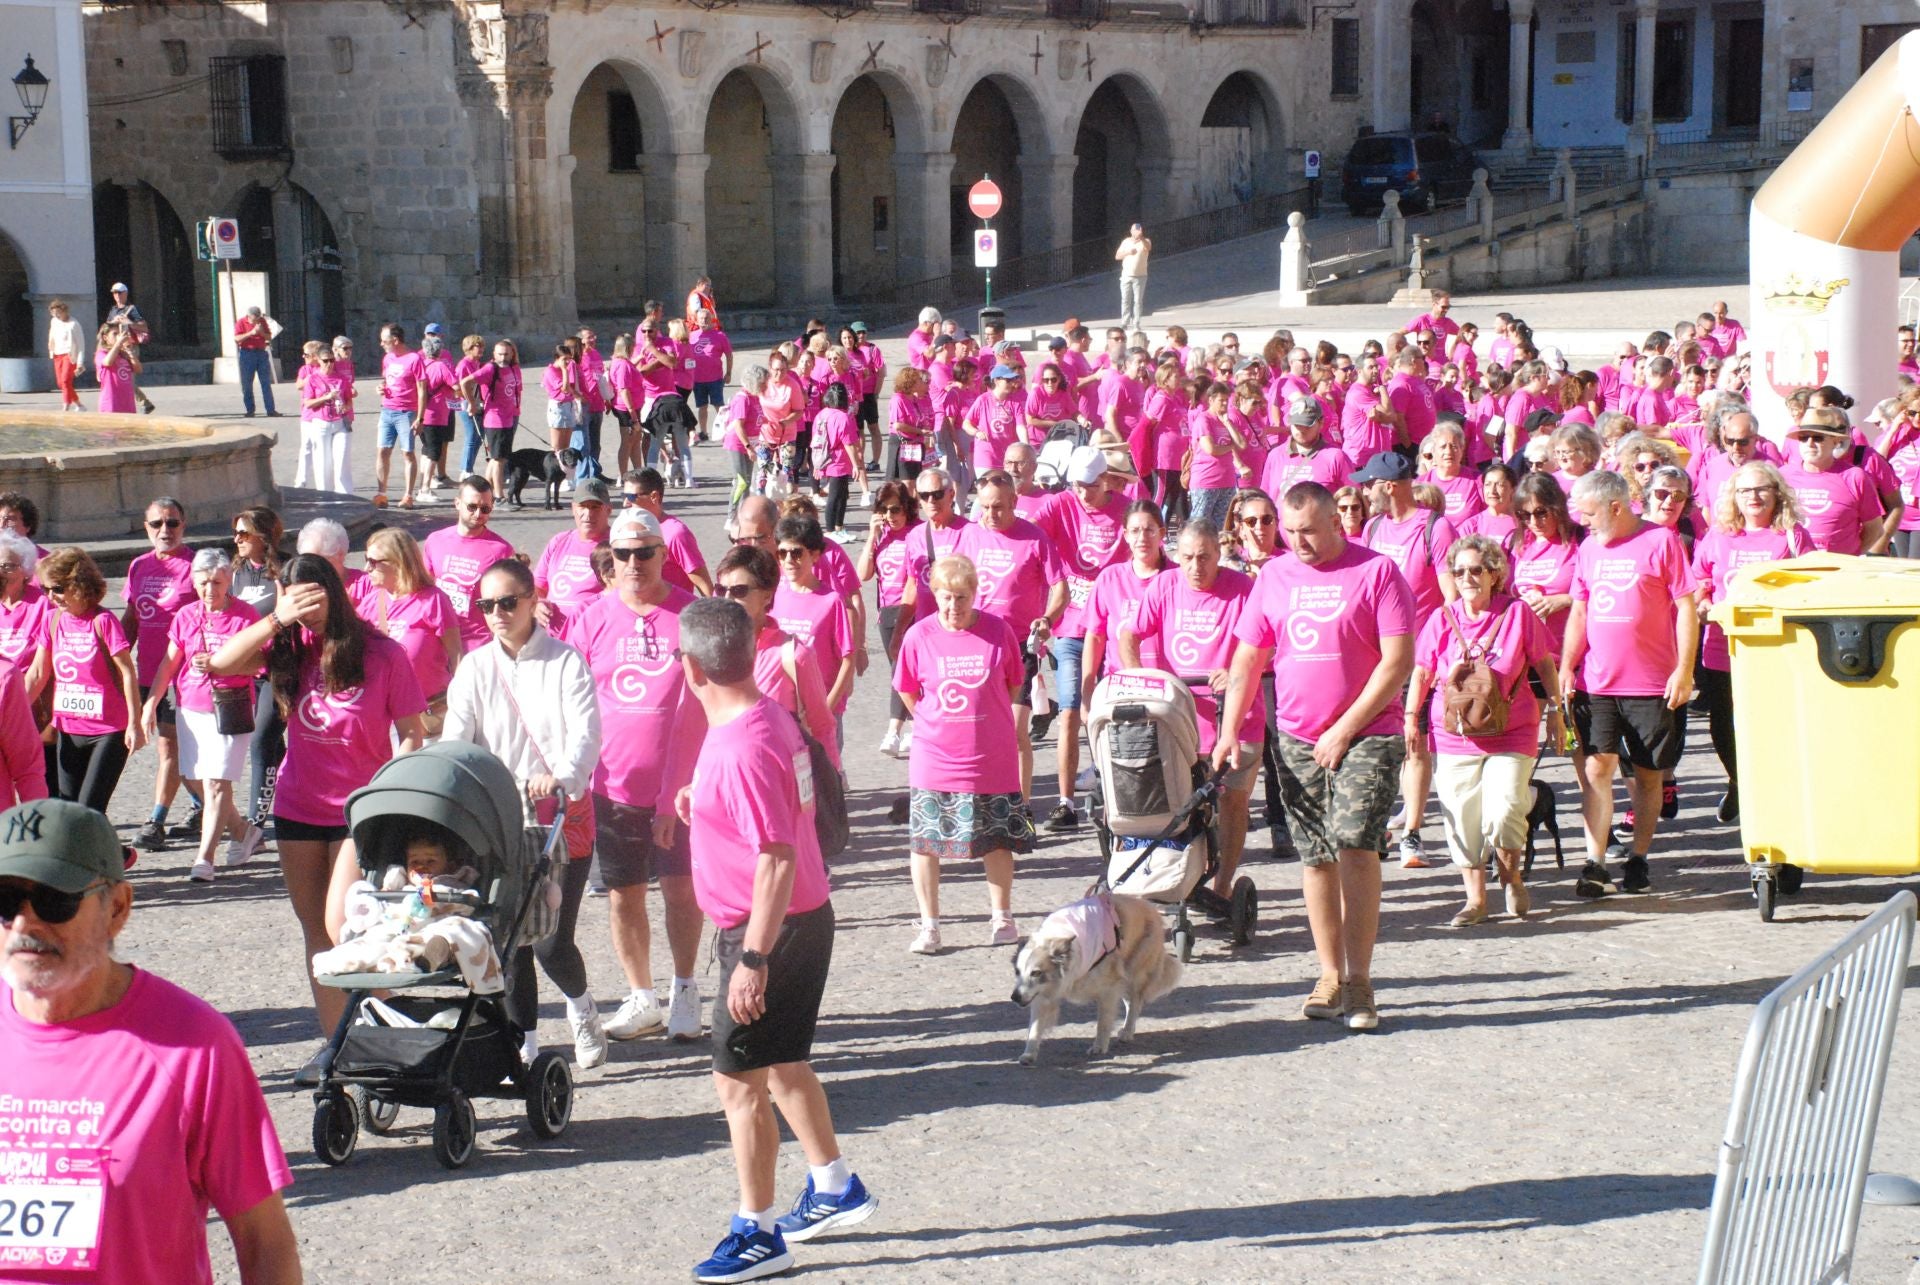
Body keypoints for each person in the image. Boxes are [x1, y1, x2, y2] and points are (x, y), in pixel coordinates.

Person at [1, 798, 301, 1283]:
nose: (24, 924)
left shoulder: (193, 1045)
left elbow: (264, 1241)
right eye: (5, 901)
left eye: (56, 900)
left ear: (117, 908)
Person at [670, 598, 875, 1284]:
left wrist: (752, 959)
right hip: (795, 918)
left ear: (692, 667)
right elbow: (788, 808)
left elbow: (778, 854)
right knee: (783, 1064)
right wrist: (703, 801)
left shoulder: (741, 744)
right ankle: (833, 1184)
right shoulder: (764, 715)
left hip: (771, 930)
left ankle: (757, 1231)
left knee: (738, 1085)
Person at [1213, 482, 1414, 1031]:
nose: (1298, 542)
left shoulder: (1377, 573)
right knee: (1316, 854)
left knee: (1354, 842)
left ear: (1337, 525)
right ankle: (1329, 973)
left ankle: (1360, 980)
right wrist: (1230, 731)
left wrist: (1346, 729)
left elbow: (1397, 662)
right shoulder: (1274, 577)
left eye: (1309, 531)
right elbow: (1249, 657)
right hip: (1298, 736)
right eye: (1290, 531)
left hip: (1368, 731)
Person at [209, 555, 426, 1042]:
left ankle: (391, 1028)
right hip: (297, 806)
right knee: (315, 934)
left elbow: (412, 732)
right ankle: (339, 1049)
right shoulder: (288, 647)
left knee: (339, 927)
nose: (305, 607)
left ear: (334, 592)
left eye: (313, 596)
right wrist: (276, 618)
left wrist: (390, 787)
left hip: (360, 810)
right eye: (294, 597)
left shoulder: (382, 653)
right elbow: (220, 663)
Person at [442, 556, 608, 1069]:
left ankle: (582, 1009)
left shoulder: (564, 661)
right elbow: (457, 735)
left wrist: (561, 774)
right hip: (499, 817)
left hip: (559, 812)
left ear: (533, 600)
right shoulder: (474, 666)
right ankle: (526, 1040)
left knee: (551, 940)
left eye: (507, 602)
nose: (496, 613)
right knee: (508, 936)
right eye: (486, 605)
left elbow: (586, 733)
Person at [571, 509, 706, 1045]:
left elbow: (709, 700)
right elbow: (571, 697)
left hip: (681, 786)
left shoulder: (690, 613)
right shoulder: (591, 617)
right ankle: (641, 995)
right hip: (611, 785)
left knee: (682, 891)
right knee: (624, 896)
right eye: (623, 554)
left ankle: (686, 987)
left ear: (663, 555)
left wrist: (685, 786)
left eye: (644, 552)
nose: (633, 563)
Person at [1405, 535, 1563, 926]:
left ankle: (1510, 875)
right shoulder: (1441, 619)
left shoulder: (1517, 614)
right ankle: (1475, 900)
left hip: (1512, 730)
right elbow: (1422, 670)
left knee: (1505, 806)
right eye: (1459, 572)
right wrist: (1410, 717)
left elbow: (1543, 663)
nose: (1467, 578)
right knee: (1462, 817)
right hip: (1454, 734)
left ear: (1494, 574)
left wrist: (1557, 710)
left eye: (1476, 570)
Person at [1561, 470, 1698, 898]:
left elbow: (1686, 608)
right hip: (1599, 680)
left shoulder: (1661, 541)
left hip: (1651, 682)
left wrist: (1684, 670)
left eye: (1589, 514)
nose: (1583, 522)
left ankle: (1638, 856)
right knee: (1596, 766)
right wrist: (1568, 665)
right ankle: (1595, 862)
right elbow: (1580, 612)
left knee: (1647, 774)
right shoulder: (1587, 549)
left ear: (1616, 508)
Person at [895, 555, 1034, 953]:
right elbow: (907, 688)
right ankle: (930, 926)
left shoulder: (998, 631)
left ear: (975, 595)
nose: (953, 606)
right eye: (945, 597)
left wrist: (984, 718)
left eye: (961, 597)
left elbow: (1011, 683)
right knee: (924, 843)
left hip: (991, 756)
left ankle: (1003, 917)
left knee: (998, 841)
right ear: (934, 595)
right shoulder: (918, 636)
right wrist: (932, 718)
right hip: (934, 756)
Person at [1121, 519, 1263, 897]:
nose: (1196, 567)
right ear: (1176, 557)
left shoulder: (1243, 591)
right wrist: (1140, 679)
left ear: (1220, 553)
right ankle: (1176, 875)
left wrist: (1235, 670)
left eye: (1204, 557)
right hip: (1181, 721)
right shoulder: (1165, 586)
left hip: (1236, 717)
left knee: (1232, 800)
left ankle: (1223, 883)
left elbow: (1270, 644)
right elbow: (1129, 634)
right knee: (1177, 804)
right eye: (1187, 558)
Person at [1691, 461, 1813, 825]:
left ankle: (1768, 790)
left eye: (1762, 489)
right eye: (1745, 490)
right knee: (1723, 724)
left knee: (1770, 724)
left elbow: (1811, 585)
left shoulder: (1792, 536)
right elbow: (1700, 579)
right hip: (1723, 645)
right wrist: (1703, 603)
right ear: (1734, 497)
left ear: (1777, 493)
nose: (1754, 497)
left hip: (1773, 648)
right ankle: (1738, 780)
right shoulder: (1720, 535)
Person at [141, 549, 262, 882]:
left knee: (216, 782)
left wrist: (224, 662)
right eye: (205, 582)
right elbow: (169, 662)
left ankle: (204, 859)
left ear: (229, 582)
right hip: (190, 707)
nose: (211, 590)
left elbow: (261, 664)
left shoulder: (245, 616)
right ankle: (243, 832)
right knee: (193, 776)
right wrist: (151, 701)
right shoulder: (186, 615)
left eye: (218, 583)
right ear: (194, 582)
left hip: (230, 706)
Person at [1030, 446, 1128, 830]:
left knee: (1113, 714)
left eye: (1089, 485)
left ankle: (1115, 791)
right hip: (1071, 627)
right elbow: (1026, 534)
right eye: (1075, 484)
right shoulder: (1061, 504)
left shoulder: (1125, 508)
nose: (1082, 492)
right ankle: (1065, 801)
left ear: (1105, 479)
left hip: (1114, 627)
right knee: (1070, 710)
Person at [715, 546, 841, 767]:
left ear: (766, 595)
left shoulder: (793, 655)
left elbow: (822, 727)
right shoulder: (709, 652)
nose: (727, 599)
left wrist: (832, 785)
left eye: (739, 591)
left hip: (778, 782)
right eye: (720, 589)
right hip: (723, 779)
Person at [39, 547, 143, 815]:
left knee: (89, 810)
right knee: (69, 810)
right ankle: (118, 854)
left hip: (108, 731)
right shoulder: (52, 620)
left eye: (58, 588)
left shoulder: (103, 620)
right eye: (46, 589)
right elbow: (38, 674)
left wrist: (135, 724)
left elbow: (127, 672)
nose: (52, 597)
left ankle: (109, 855)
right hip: (69, 729)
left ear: (79, 584)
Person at [125, 498, 199, 852]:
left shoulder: (195, 566)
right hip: (147, 671)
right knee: (174, 750)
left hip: (184, 674)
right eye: (157, 524)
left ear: (184, 525)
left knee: (170, 747)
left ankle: (156, 821)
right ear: (146, 527)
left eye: (172, 523)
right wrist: (113, 660)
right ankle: (204, 806)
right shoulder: (139, 566)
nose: (164, 530)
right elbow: (131, 619)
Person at [358, 528, 462, 739]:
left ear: (398, 562)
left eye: (373, 561)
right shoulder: (370, 602)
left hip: (427, 715)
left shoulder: (433, 600)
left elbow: (456, 656)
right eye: (365, 559)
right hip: (382, 715)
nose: (366, 568)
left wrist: (463, 706)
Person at [230, 506, 286, 839]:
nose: (237, 539)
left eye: (244, 533)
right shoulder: (237, 571)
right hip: (245, 670)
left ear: (263, 536)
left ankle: (255, 825)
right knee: (275, 748)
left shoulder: (283, 570)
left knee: (262, 739)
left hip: (279, 669)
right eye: (235, 532)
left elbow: (288, 618)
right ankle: (303, 787)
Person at [858, 480, 921, 757]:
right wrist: (872, 537)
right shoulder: (882, 536)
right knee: (900, 671)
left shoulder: (916, 533)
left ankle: (895, 731)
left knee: (902, 671)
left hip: (912, 607)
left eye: (895, 509)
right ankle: (917, 726)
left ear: (907, 508)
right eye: (884, 510)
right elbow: (863, 574)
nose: (890, 516)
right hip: (887, 611)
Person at [424, 476, 517, 650]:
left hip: (477, 644)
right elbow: (423, 589)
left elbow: (511, 603)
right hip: (436, 640)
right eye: (472, 507)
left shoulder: (501, 550)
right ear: (457, 503)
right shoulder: (435, 540)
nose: (478, 514)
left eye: (485, 509)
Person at [1781, 407, 1888, 555]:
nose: (1810, 443)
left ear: (1835, 441)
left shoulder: (1855, 477)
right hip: (1793, 568)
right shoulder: (1782, 476)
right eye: (1804, 437)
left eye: (1818, 437)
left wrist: (1850, 556)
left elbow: (1875, 529)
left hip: (1840, 571)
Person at [534, 477, 613, 618]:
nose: (588, 514)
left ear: (608, 510)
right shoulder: (559, 541)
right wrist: (538, 603)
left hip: (592, 632)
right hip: (552, 636)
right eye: (582, 506)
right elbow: (537, 586)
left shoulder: (617, 545)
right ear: (573, 509)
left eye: (595, 507)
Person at [460, 338, 524, 502]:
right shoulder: (490, 369)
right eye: (500, 354)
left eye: (506, 354)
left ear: (512, 354)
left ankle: (484, 494)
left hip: (508, 417)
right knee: (498, 460)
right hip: (495, 420)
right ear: (494, 354)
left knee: (497, 458)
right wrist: (472, 403)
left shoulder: (512, 367)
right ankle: (498, 496)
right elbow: (465, 382)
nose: (503, 358)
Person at [374, 323, 425, 510]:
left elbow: (422, 390)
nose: (381, 344)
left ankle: (408, 495)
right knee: (382, 451)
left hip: (406, 412)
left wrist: (420, 417)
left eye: (384, 341)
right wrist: (381, 387)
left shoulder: (414, 359)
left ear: (395, 340)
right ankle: (381, 494)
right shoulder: (388, 358)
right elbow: (386, 379)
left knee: (408, 453)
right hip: (387, 409)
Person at [413, 328, 459, 500]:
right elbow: (456, 387)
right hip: (437, 415)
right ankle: (425, 489)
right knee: (434, 452)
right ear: (440, 351)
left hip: (422, 413)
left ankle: (422, 486)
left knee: (426, 450)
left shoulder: (421, 366)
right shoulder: (441, 366)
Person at [103, 281, 157, 413]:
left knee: (126, 377)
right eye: (114, 293)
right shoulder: (113, 310)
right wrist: (112, 322)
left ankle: (143, 403)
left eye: (119, 293)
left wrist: (129, 323)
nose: (117, 295)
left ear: (125, 294)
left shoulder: (132, 309)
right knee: (123, 377)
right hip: (117, 347)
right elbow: (107, 328)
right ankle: (145, 403)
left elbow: (144, 327)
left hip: (129, 346)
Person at [689, 306, 733, 445]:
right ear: (696, 320)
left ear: (712, 320)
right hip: (697, 378)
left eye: (707, 318)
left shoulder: (720, 336)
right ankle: (703, 432)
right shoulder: (692, 336)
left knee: (718, 406)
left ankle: (725, 432)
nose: (704, 321)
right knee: (701, 406)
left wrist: (729, 372)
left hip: (715, 378)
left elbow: (729, 355)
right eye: (701, 318)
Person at [234, 305, 278, 418]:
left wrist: (262, 333)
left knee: (266, 383)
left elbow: (269, 337)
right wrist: (251, 333)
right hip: (247, 353)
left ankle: (271, 410)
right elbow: (237, 338)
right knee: (247, 384)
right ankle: (250, 410)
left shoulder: (262, 321)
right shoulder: (241, 322)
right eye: (254, 318)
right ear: (249, 316)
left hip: (261, 353)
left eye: (258, 318)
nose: (256, 320)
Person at [45, 298, 84, 412]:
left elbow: (81, 345)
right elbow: (52, 335)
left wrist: (80, 363)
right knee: (60, 383)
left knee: (66, 380)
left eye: (58, 313)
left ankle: (66, 406)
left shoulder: (74, 324)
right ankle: (79, 404)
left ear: (64, 311)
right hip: (57, 355)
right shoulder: (54, 321)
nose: (56, 316)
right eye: (53, 313)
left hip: (69, 356)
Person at [95, 321, 142, 415]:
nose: (118, 337)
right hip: (111, 403)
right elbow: (107, 362)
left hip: (127, 403)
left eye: (119, 333)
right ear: (105, 338)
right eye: (114, 334)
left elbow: (138, 369)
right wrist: (118, 344)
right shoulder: (101, 353)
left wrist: (130, 353)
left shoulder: (123, 354)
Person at [1115, 222, 1152, 332]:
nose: (1136, 232)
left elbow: (1148, 247)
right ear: (1131, 231)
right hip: (1126, 275)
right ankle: (1125, 322)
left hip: (1140, 276)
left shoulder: (1145, 241)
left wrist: (1142, 238)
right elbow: (1117, 256)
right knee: (1125, 300)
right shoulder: (1126, 242)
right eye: (1134, 230)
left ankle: (1136, 323)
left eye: (1139, 230)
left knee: (1137, 301)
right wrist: (1128, 252)